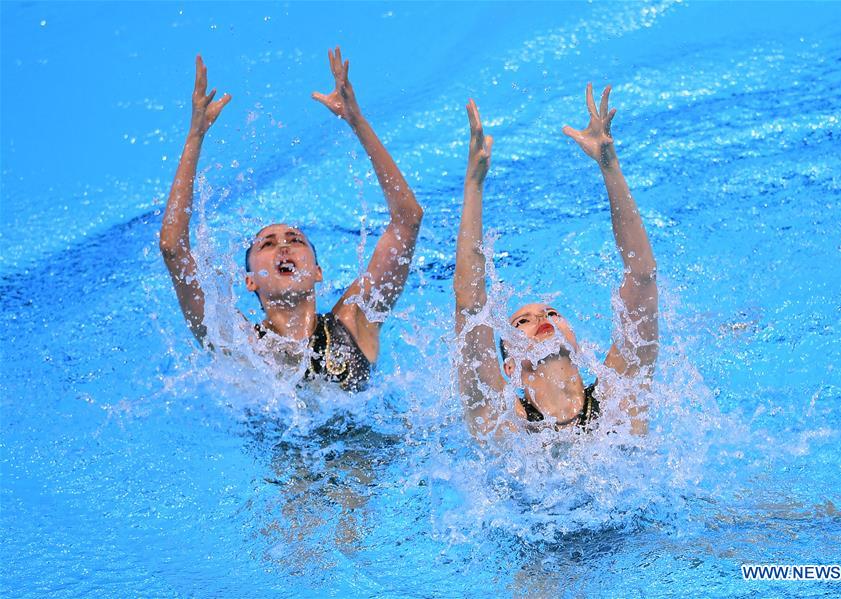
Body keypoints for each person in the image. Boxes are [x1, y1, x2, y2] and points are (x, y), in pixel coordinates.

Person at [160, 48, 423, 391]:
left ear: (317, 271)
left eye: (295, 240)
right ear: (250, 280)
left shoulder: (355, 322)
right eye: (268, 244)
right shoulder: (240, 346)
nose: (284, 247)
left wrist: (357, 121)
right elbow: (173, 249)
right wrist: (195, 137)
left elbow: (408, 218)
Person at [453, 84, 658, 436]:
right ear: (511, 365)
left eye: (551, 313)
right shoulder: (504, 422)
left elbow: (641, 277)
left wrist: (610, 167)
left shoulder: (618, 399)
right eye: (521, 322)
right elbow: (470, 308)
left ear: (576, 342)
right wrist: (473, 185)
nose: (542, 319)